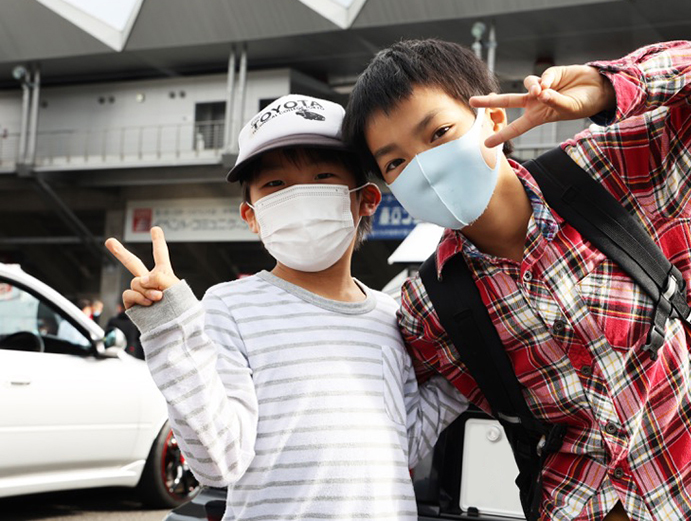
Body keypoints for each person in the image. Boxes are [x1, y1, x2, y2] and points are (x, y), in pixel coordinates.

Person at [342, 39, 691, 521]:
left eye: (439, 132)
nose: (424, 167)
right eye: (395, 163)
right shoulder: (429, 309)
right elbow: (380, 414)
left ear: (492, 117)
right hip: (587, 506)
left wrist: (612, 86)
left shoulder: (609, 170)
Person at [105, 95, 467, 521]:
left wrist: (466, 366)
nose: (299, 195)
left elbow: (402, 446)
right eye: (275, 184)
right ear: (251, 215)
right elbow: (217, 463)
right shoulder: (230, 306)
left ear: (367, 199)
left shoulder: (392, 317)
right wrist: (170, 330)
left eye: (322, 176)